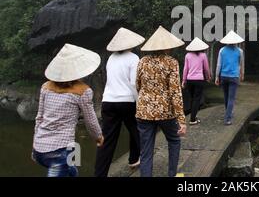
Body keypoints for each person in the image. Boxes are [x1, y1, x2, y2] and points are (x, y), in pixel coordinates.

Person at [32, 44, 104, 177]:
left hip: (40, 148)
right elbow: (90, 120)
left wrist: (35, 146)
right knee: (66, 160)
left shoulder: (45, 87)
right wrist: (98, 137)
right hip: (58, 153)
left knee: (73, 163)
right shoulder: (83, 91)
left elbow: (39, 118)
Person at [136, 26, 187, 177]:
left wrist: (147, 100)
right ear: (167, 47)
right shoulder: (171, 62)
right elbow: (175, 92)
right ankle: (172, 174)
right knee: (174, 141)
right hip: (166, 112)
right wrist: (182, 120)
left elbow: (138, 85)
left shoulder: (143, 61)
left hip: (144, 112)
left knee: (146, 151)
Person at [94, 27, 145, 177]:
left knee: (107, 140)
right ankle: (137, 159)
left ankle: (99, 174)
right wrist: (139, 102)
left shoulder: (111, 58)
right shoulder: (134, 58)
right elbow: (133, 83)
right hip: (127, 101)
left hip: (108, 101)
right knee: (137, 130)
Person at [215, 31, 245, 126]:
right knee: (231, 98)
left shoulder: (222, 50)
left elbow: (219, 64)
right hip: (234, 76)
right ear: (236, 41)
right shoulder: (240, 51)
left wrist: (216, 76)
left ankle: (228, 113)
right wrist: (242, 74)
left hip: (223, 76)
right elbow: (241, 64)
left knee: (226, 96)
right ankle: (227, 118)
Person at [182, 37, 211, 125]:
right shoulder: (203, 55)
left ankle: (193, 116)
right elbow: (206, 69)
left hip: (189, 80)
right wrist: (208, 77)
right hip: (199, 80)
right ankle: (192, 119)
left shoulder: (187, 55)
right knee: (197, 99)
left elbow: (185, 69)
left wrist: (184, 80)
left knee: (192, 98)